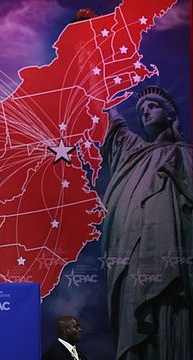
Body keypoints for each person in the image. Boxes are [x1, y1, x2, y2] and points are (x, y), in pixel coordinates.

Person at [102, 85, 192, 360]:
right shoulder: (136, 154)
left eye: (152, 107)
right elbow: (117, 132)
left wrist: (177, 180)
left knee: (172, 307)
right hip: (135, 252)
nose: (145, 114)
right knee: (136, 301)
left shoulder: (185, 154)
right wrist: (106, 98)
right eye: (141, 111)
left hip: (174, 246)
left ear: (170, 114)